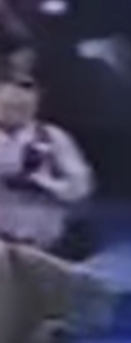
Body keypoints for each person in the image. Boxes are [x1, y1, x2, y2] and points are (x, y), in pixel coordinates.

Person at [0, 78, 95, 259]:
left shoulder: (52, 137)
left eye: (22, 107)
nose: (15, 112)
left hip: (43, 242)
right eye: (8, 106)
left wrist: (43, 183)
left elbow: (81, 188)